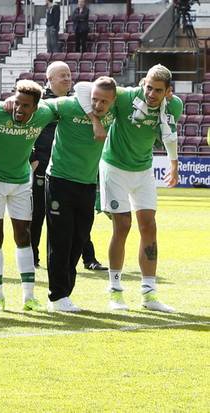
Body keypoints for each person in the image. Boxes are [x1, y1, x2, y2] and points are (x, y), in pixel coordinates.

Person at [77, 65, 181, 313]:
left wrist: (174, 164)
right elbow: (82, 88)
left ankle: (149, 293)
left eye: (158, 90)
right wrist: (95, 121)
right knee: (122, 226)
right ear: (143, 82)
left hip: (143, 169)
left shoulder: (174, 106)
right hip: (114, 167)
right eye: (149, 87)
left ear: (168, 91)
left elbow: (169, 135)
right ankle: (115, 290)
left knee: (149, 226)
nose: (151, 94)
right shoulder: (124, 96)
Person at [40, 77, 117, 312]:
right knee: (60, 240)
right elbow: (45, 103)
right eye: (95, 99)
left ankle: (65, 294)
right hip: (59, 180)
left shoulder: (117, 110)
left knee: (78, 240)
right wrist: (94, 119)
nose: (98, 105)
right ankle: (57, 296)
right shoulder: (68, 105)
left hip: (87, 183)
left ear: (113, 101)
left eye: (104, 101)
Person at [0, 80, 55, 312]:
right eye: (17, 103)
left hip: (21, 182)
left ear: (36, 107)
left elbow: (66, 105)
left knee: (23, 235)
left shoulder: (44, 114)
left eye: (25, 105)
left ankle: (28, 297)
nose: (19, 109)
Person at [30, 62, 107, 271]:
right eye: (62, 75)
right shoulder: (41, 102)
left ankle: (88, 258)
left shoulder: (80, 101)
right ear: (49, 79)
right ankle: (33, 257)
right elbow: (28, 128)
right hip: (43, 164)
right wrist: (32, 156)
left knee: (77, 217)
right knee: (37, 213)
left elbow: (85, 87)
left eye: (68, 74)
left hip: (71, 168)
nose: (67, 78)